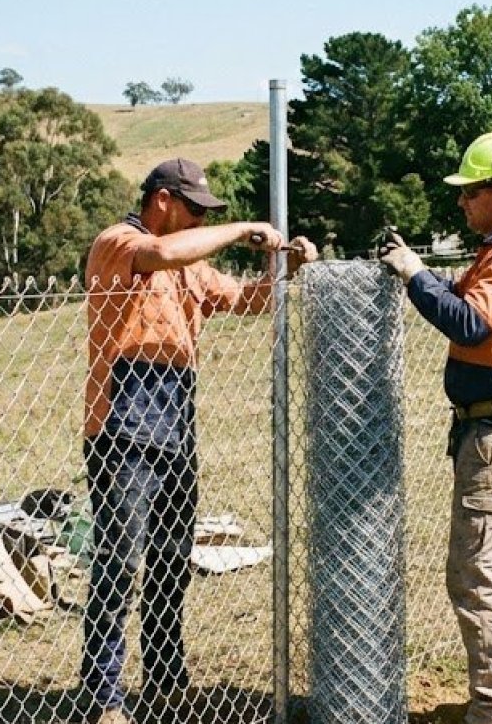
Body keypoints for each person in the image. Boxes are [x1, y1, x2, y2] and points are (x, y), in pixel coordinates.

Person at [81, 157, 317, 724]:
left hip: (176, 422)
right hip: (122, 425)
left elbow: (245, 300)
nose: (197, 222)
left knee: (168, 564)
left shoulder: (189, 265)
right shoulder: (120, 243)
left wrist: (288, 271)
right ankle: (103, 697)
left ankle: (164, 682)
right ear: (162, 200)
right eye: (192, 209)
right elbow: (161, 255)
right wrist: (239, 231)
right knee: (119, 566)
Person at [379, 132, 492, 724]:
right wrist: (427, 276)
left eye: (470, 192)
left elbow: (470, 322)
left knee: (475, 579)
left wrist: (413, 274)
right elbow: (466, 297)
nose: (462, 202)